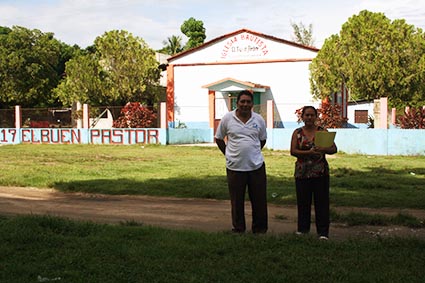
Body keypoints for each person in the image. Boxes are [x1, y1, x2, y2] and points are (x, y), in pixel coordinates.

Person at [215, 90, 268, 234]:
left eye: (248, 102)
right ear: (237, 103)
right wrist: (229, 154)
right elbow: (219, 138)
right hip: (235, 167)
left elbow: (262, 139)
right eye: (242, 101)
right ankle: (238, 229)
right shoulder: (227, 119)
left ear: (252, 104)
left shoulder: (259, 120)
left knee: (259, 200)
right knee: (237, 201)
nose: (245, 104)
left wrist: (252, 152)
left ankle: (260, 230)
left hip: (256, 166)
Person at [290, 106, 337, 240]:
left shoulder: (322, 132)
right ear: (302, 117)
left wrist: (323, 149)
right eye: (307, 115)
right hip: (302, 173)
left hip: (320, 173)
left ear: (316, 117)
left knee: (322, 203)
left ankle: (323, 233)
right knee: (303, 202)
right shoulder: (297, 133)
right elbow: (293, 151)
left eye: (312, 115)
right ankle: (302, 229)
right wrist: (308, 153)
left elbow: (334, 149)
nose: (309, 118)